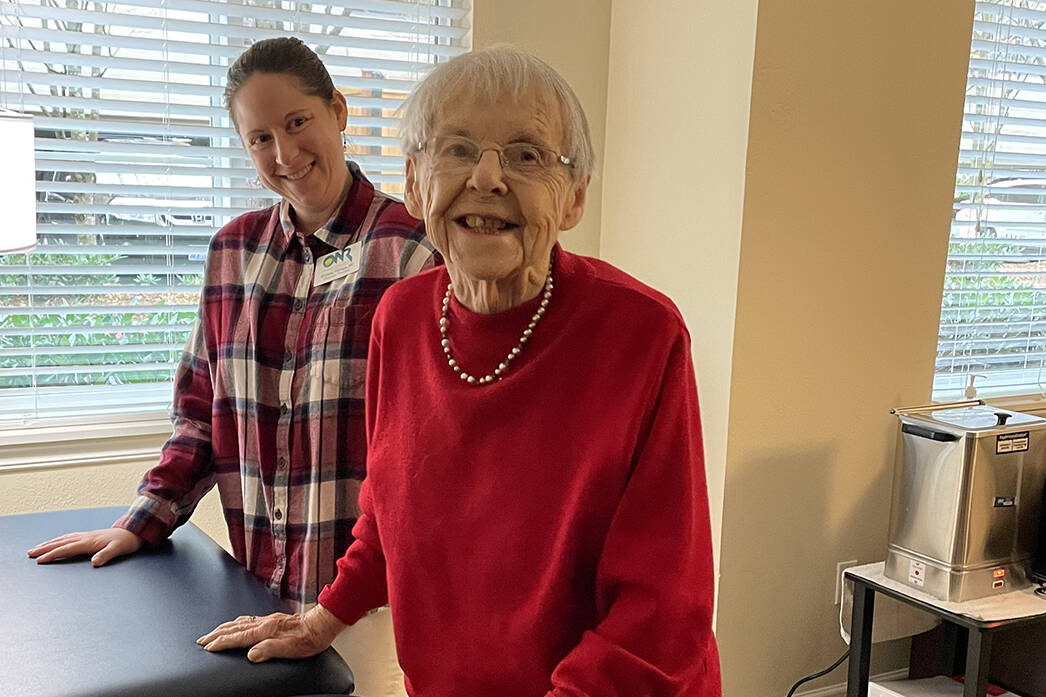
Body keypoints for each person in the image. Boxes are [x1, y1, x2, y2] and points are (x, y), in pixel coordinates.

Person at [196, 45, 722, 696]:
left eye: (528, 154)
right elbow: (388, 516)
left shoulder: (641, 334)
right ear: (415, 183)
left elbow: (660, 617)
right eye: (458, 149)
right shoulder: (402, 316)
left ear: (575, 197)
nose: (488, 178)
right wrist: (321, 618)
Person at [27, 37, 438, 697]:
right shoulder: (232, 252)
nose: (284, 153)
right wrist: (142, 520)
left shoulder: (414, 250)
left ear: (338, 111)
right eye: (259, 138)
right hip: (255, 591)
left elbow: (426, 462)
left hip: (371, 609)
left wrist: (339, 605)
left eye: (298, 122)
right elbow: (198, 415)